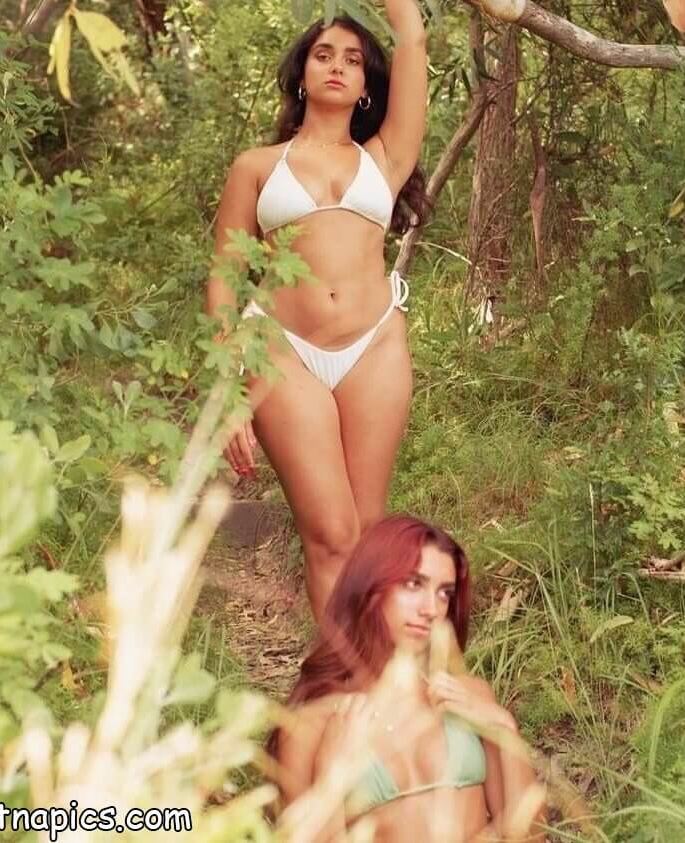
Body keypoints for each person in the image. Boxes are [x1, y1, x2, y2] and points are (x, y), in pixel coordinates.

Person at [205, 2, 429, 624]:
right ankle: (339, 675)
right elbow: (225, 276)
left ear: (366, 87)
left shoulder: (385, 157)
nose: (337, 66)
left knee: (367, 532)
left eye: (353, 60)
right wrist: (227, 387)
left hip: (374, 348)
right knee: (330, 533)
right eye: (324, 54)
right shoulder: (257, 166)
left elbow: (412, 37)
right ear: (302, 73)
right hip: (282, 349)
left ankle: (359, 675)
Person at [268, 516, 545, 843]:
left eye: (444, 593)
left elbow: (531, 836)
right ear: (371, 585)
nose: (431, 609)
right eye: (414, 584)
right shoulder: (311, 725)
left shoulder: (468, 696)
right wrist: (332, 775)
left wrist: (504, 726)